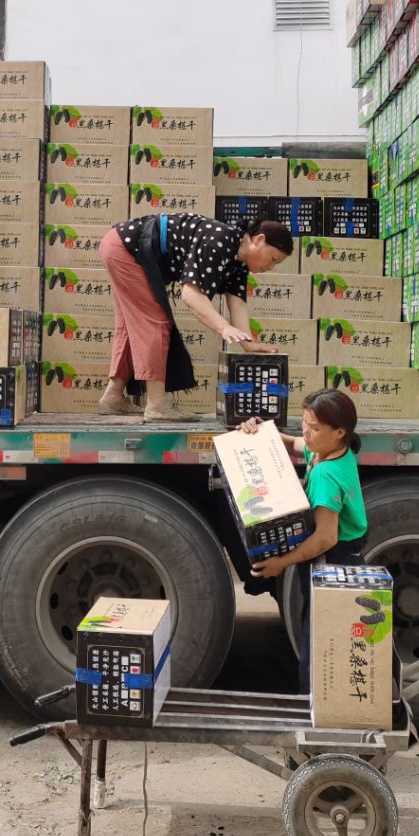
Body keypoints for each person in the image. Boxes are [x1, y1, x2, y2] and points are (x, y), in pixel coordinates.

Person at [96, 214, 292, 422]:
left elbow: (238, 302)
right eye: (273, 259)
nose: (271, 267)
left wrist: (249, 344)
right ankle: (157, 405)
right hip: (127, 250)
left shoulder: (237, 262)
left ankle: (113, 396)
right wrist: (223, 327)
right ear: (259, 240)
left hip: (122, 247)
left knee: (131, 327)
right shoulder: (219, 240)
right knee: (154, 323)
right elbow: (191, 294)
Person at [241, 388, 366, 691]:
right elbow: (297, 444)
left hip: (332, 560)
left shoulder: (327, 476)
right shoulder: (330, 451)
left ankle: (314, 715)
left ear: (340, 431)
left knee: (318, 647)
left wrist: (280, 564)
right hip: (343, 556)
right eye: (305, 423)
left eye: (315, 427)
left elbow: (325, 538)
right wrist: (264, 431)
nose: (306, 433)